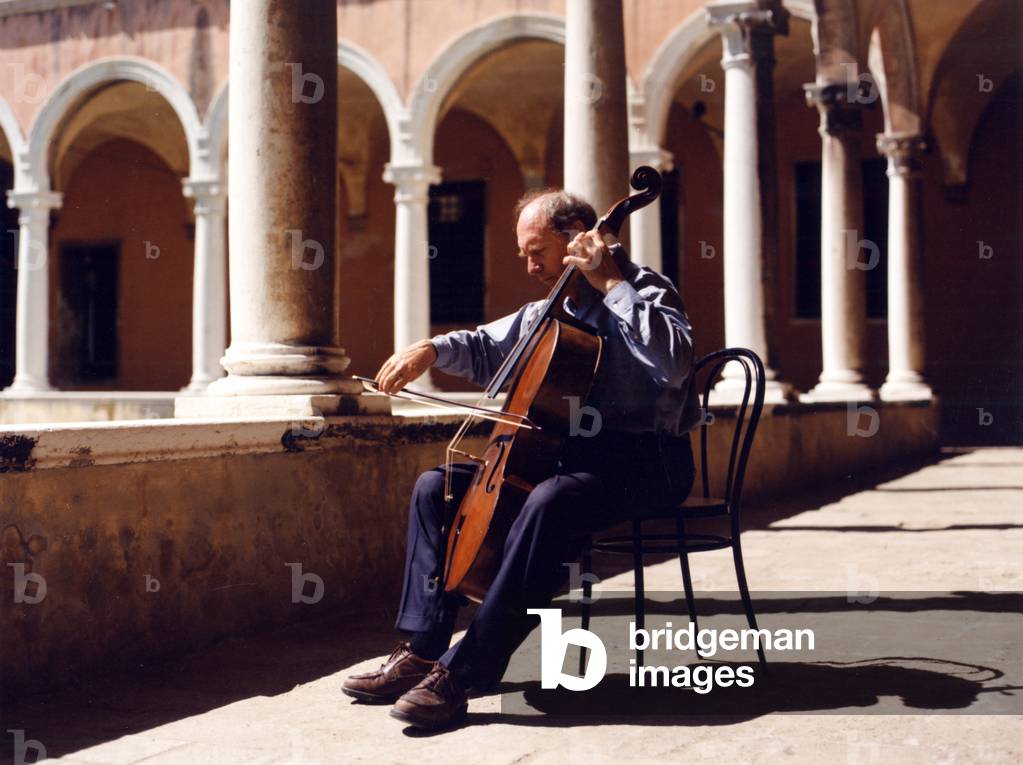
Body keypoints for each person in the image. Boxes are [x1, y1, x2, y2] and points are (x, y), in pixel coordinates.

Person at [342, 188, 701, 729]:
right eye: (524, 255)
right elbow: (485, 347)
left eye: (538, 252)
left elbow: (675, 364)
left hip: (647, 462)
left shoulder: (646, 289)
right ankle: (422, 648)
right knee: (436, 487)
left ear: (577, 237)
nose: (531, 267)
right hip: (569, 459)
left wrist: (611, 284)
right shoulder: (550, 310)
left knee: (550, 502)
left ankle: (465, 671)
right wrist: (431, 349)